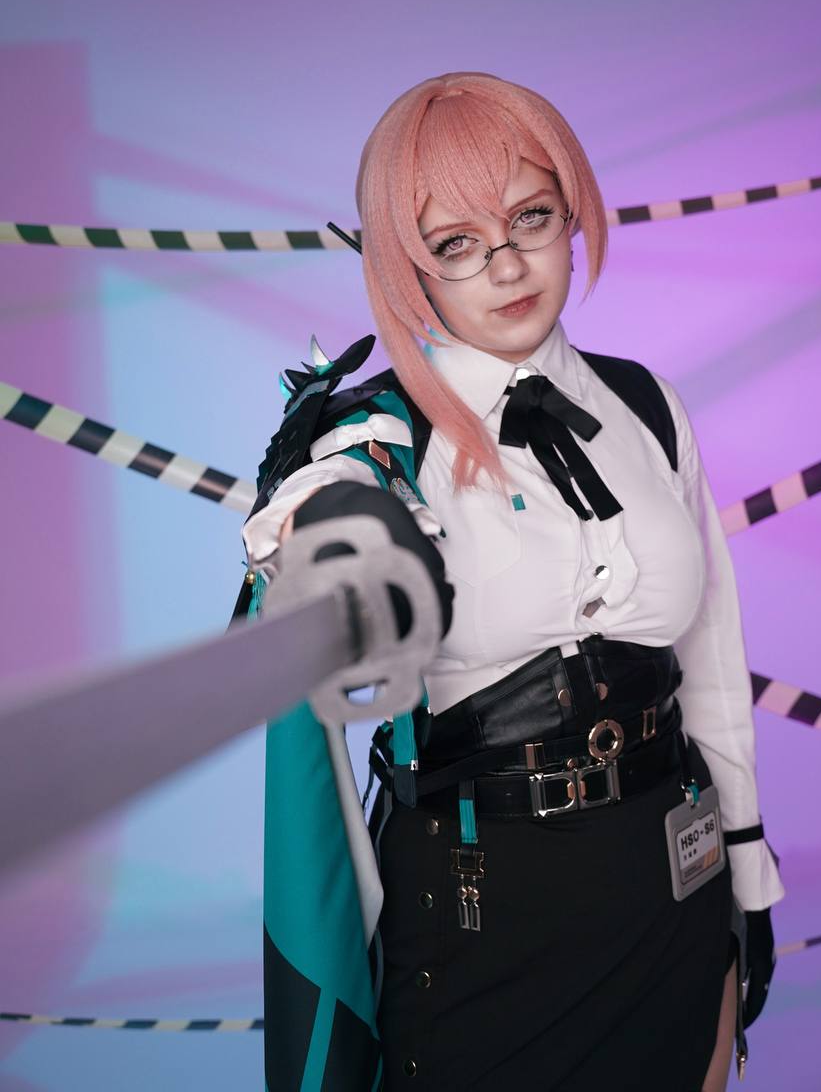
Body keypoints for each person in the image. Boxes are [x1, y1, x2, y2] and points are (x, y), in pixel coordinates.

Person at [238, 72, 784, 1091]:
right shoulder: (375, 435)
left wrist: (747, 871)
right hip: (482, 908)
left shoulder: (644, 404)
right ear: (404, 266)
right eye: (455, 242)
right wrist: (342, 539)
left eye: (530, 217)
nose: (505, 264)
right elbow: (312, 520)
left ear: (571, 215)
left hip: (673, 881)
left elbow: (710, 661)